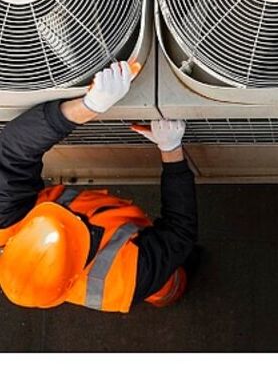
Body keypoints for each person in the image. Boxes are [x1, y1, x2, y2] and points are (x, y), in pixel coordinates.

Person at [0, 61, 197, 312]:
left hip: (119, 230)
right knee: (168, 281)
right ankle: (172, 290)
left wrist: (89, 106)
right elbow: (180, 230)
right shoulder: (125, 280)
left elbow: (13, 148)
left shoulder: (5, 223)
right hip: (142, 270)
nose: (73, 217)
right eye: (74, 225)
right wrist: (171, 151)